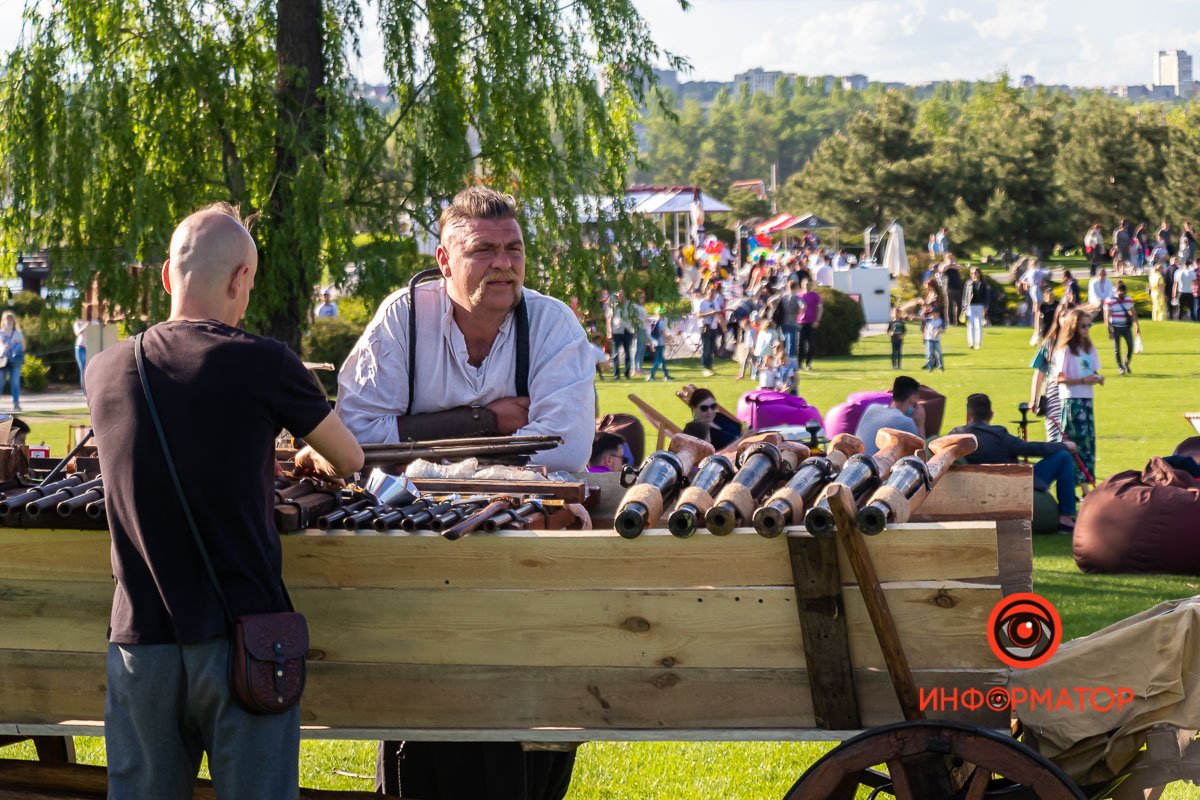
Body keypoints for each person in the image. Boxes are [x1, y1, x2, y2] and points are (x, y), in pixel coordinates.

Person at [85, 203, 364, 800]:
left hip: (139, 644)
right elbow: (350, 459)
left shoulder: (104, 371)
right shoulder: (264, 361)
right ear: (240, 279)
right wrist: (307, 453)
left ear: (166, 275)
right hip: (246, 640)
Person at [335, 187, 593, 798]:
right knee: (425, 683)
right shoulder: (403, 316)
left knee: (525, 683)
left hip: (523, 544)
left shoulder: (552, 322)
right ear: (445, 260)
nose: (504, 263)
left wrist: (422, 450)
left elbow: (562, 448)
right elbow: (354, 434)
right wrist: (487, 422)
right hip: (419, 549)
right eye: (483, 250)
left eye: (514, 249)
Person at [949, 393, 1080, 532]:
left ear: (968, 415)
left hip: (978, 488)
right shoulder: (999, 434)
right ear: (991, 415)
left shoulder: (956, 435)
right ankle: (1065, 518)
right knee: (1063, 457)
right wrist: (1065, 445)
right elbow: (1029, 448)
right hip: (1014, 485)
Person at [1054, 308, 1103, 490]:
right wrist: (1083, 380)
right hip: (1072, 400)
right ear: (1074, 326)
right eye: (1083, 326)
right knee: (1076, 442)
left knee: (1089, 442)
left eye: (1089, 325)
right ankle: (1082, 488)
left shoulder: (1089, 348)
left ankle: (1088, 483)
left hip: (1087, 398)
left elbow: (1092, 370)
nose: (1086, 329)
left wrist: (1097, 378)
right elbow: (1060, 378)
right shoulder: (1065, 349)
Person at [854, 375, 925, 456]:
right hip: (878, 466)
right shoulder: (906, 422)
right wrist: (920, 424)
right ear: (913, 399)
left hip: (857, 462)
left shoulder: (872, 408)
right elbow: (920, 458)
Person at [1029, 306, 1067, 443]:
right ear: (1057, 318)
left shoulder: (1078, 344)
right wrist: (1033, 399)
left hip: (1073, 393)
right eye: (1063, 316)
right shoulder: (1050, 343)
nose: (1066, 319)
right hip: (1053, 392)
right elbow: (1039, 371)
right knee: (1054, 434)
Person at [1103, 280, 1140, 375]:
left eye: (1123, 293)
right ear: (1116, 291)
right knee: (1117, 349)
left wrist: (1136, 326)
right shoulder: (1110, 300)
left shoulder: (1128, 299)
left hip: (1126, 327)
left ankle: (1126, 363)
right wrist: (1109, 330)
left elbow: (1133, 313)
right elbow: (1107, 317)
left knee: (1130, 346)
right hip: (1115, 327)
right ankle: (1120, 367)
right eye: (1120, 293)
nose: (1122, 295)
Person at [605, 288, 635, 380]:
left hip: (627, 330)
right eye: (619, 295)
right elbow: (608, 318)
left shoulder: (629, 304)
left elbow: (633, 317)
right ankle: (616, 374)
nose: (620, 297)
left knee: (628, 353)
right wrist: (609, 332)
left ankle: (627, 373)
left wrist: (634, 330)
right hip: (616, 331)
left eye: (622, 295)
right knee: (615, 354)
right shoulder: (613, 305)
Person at [0, 312, 25, 412]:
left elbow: (23, 346)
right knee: (0, 383)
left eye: (11, 319)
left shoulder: (18, 333)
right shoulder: (0, 333)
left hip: (15, 362)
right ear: (3, 320)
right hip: (2, 361)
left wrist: (14, 347)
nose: (9, 321)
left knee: (15, 383)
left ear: (14, 321)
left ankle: (16, 404)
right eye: (7, 319)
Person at [697, 283, 723, 377]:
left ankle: (710, 367)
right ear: (707, 293)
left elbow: (719, 315)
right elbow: (698, 315)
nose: (712, 295)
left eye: (713, 294)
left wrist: (724, 327)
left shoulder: (715, 303)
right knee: (706, 348)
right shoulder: (702, 302)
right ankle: (705, 367)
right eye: (710, 293)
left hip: (714, 327)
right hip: (705, 326)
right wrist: (710, 313)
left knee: (712, 348)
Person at [961, 267, 989, 350]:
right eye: (972, 273)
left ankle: (978, 343)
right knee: (971, 325)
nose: (973, 274)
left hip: (980, 306)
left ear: (979, 273)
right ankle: (971, 343)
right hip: (970, 306)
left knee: (979, 325)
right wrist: (964, 307)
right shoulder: (968, 283)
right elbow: (965, 296)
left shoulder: (984, 284)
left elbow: (987, 297)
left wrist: (986, 307)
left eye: (975, 273)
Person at [796, 278, 822, 370]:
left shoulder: (815, 295)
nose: (807, 286)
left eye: (809, 284)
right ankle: (799, 364)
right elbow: (795, 308)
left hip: (811, 322)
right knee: (800, 344)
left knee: (811, 344)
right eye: (806, 284)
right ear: (802, 285)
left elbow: (820, 308)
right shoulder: (799, 295)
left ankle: (808, 363)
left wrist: (817, 321)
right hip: (801, 323)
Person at [645, 308, 673, 382]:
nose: (664, 315)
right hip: (660, 343)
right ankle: (651, 375)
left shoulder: (654, 322)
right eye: (663, 314)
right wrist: (669, 342)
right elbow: (663, 333)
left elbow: (650, 334)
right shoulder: (662, 322)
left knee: (662, 360)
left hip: (655, 343)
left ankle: (666, 375)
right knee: (658, 360)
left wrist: (651, 343)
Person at [73, 317, 96, 394]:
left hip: (91, 348)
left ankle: (91, 388)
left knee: (91, 368)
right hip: (80, 348)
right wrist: (86, 325)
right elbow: (77, 333)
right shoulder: (78, 322)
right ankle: (84, 390)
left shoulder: (93, 320)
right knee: (83, 369)